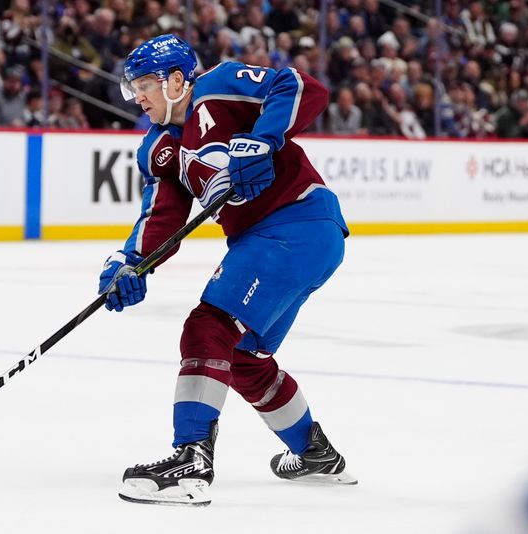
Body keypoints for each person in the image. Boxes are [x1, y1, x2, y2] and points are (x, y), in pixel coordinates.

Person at [99, 34, 355, 507]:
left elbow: (301, 87)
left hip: (297, 222)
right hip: (281, 240)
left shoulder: (218, 86)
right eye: (131, 87)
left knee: (208, 328)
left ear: (177, 80)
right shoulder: (159, 147)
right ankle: (314, 453)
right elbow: (163, 217)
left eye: (144, 85)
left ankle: (190, 459)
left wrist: (261, 141)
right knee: (243, 358)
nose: (137, 97)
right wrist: (131, 262)